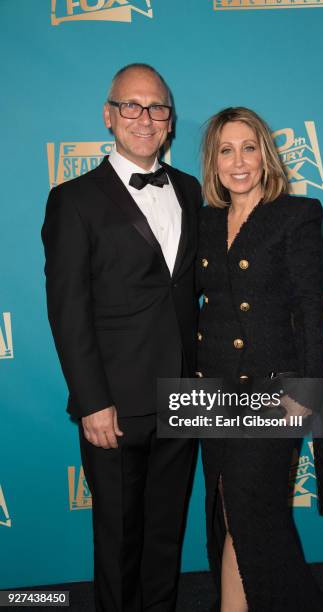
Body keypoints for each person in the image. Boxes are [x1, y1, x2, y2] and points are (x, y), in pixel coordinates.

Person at [42, 63, 202, 612]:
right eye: (130, 106)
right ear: (108, 116)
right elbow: (68, 311)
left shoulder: (189, 188)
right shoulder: (74, 199)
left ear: (169, 121)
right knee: (117, 540)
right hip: (114, 402)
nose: (144, 117)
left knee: (165, 534)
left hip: (185, 395)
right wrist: (92, 401)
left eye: (156, 107)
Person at [196, 107, 323, 611]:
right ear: (213, 160)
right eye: (226, 149)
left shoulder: (296, 215)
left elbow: (310, 306)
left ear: (266, 153)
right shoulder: (206, 220)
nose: (239, 161)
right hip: (212, 391)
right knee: (230, 515)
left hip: (272, 389)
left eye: (249, 147)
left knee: (254, 515)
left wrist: (309, 387)